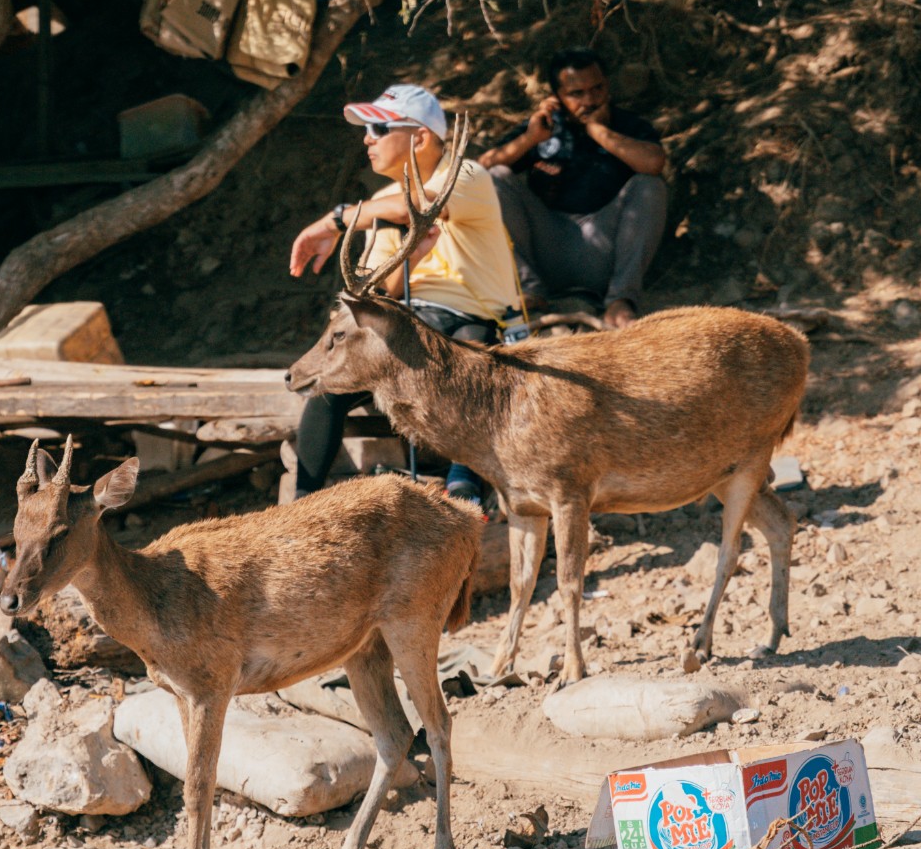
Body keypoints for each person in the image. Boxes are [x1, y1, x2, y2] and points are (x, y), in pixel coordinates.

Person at [286, 83, 523, 509]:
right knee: (332, 378)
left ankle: (464, 487)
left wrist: (337, 219)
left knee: (468, 348)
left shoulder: (465, 174)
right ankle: (301, 502)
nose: (367, 139)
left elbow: (417, 204)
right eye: (366, 130)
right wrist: (408, 260)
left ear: (419, 137)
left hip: (473, 319)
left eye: (378, 128)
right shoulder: (381, 202)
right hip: (407, 320)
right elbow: (380, 294)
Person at [480, 48, 669, 330]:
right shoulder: (543, 128)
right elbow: (480, 169)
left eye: (597, 88)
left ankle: (621, 300)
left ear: (608, 85)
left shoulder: (627, 124)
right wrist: (530, 138)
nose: (590, 99)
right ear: (557, 95)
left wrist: (598, 131)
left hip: (604, 249)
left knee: (649, 186)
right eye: (576, 93)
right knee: (494, 178)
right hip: (547, 246)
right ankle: (529, 289)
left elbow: (654, 164)